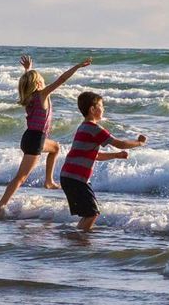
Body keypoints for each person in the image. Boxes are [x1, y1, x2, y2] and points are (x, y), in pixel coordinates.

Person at [0, 55, 91, 217]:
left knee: (55, 148)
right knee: (21, 177)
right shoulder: (42, 94)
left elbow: (27, 81)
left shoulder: (29, 97)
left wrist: (28, 69)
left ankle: (49, 181)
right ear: (38, 84)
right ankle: (1, 204)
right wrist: (77, 66)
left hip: (31, 137)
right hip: (35, 140)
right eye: (42, 80)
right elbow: (62, 79)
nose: (45, 82)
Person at [59, 92, 146, 231]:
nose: (103, 109)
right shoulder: (94, 129)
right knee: (92, 213)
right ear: (92, 110)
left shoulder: (83, 127)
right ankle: (79, 239)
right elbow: (121, 143)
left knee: (89, 213)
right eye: (101, 106)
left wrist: (116, 155)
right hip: (76, 178)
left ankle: (78, 237)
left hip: (69, 177)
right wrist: (139, 143)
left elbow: (95, 155)